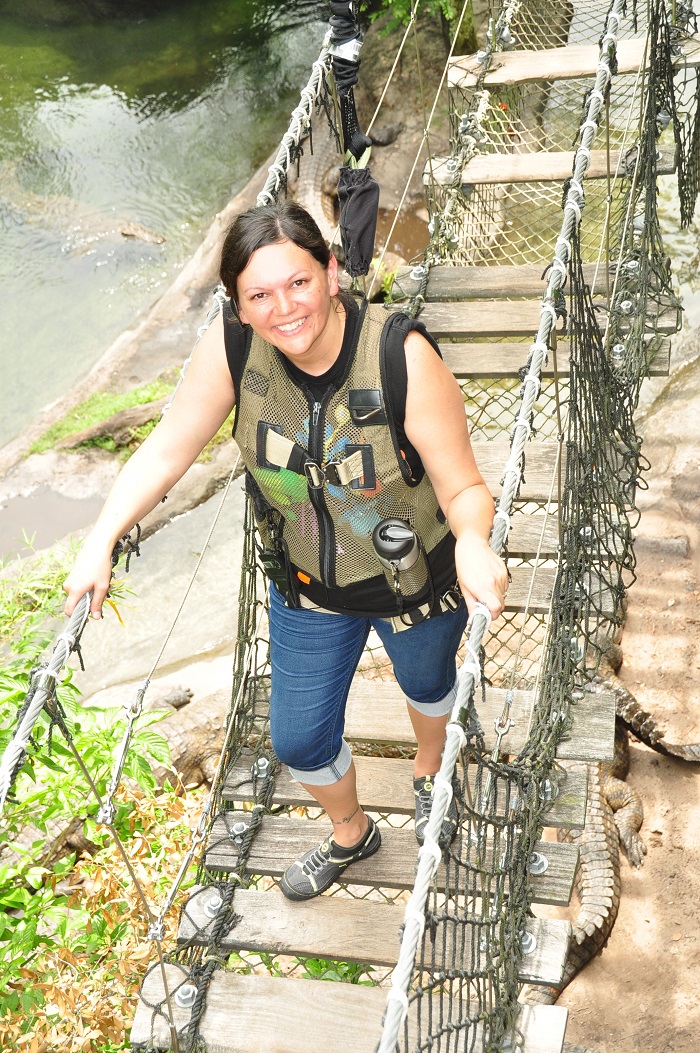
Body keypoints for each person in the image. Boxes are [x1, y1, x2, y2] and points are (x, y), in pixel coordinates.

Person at [63, 201, 507, 902]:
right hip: (308, 584)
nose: (284, 308)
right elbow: (168, 450)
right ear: (238, 307)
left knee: (427, 684)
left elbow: (464, 488)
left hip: (417, 576)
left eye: (298, 282)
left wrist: (476, 542)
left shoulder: (400, 355)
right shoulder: (233, 350)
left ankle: (429, 770)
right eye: (259, 295)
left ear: (331, 272)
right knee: (298, 738)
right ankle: (351, 830)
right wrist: (100, 538)